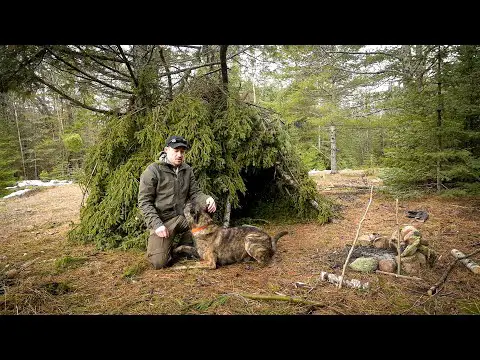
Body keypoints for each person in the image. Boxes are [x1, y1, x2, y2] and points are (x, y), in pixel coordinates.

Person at [138, 135, 216, 269]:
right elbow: (144, 202)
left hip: (183, 217)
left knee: (207, 209)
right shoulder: (153, 170)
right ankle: (162, 245)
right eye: (176, 151)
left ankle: (183, 247)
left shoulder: (187, 170)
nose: (180, 155)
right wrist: (157, 225)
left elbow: (195, 194)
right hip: (164, 221)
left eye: (182, 151)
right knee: (159, 263)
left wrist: (207, 199)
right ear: (166, 150)